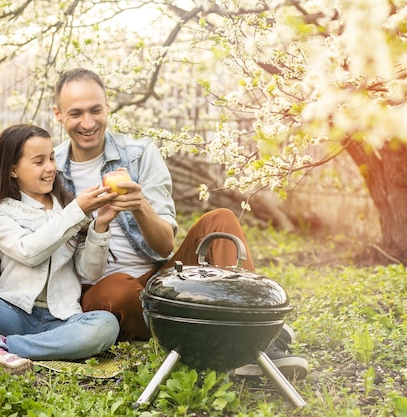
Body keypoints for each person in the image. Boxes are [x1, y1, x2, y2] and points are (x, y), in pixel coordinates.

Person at [51, 67, 309, 380]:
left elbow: (164, 246)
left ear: (108, 107)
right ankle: (220, 330)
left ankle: (252, 337)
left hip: (163, 278)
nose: (88, 123)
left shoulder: (140, 155)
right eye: (76, 113)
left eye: (96, 110)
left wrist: (140, 206)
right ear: (58, 114)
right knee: (116, 291)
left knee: (221, 219)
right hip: (105, 290)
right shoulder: (50, 169)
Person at [0, 124, 120, 382]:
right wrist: (77, 212)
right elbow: (30, 251)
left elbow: (89, 272)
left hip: (61, 320)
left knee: (106, 325)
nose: (50, 168)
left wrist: (100, 225)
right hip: (12, 313)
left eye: (52, 158)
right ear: (13, 169)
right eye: (38, 161)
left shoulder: (67, 209)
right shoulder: (3, 213)